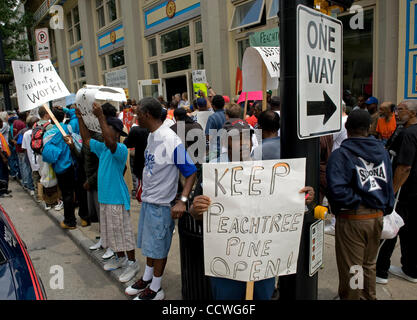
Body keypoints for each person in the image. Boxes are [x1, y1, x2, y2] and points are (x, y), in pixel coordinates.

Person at [189, 119, 315, 300]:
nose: (242, 143)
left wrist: (304, 197)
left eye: (246, 137)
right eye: (235, 138)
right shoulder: (212, 172)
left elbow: (288, 205)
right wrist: (196, 208)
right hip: (226, 261)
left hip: (262, 260)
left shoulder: (268, 169)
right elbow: (196, 213)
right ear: (225, 142)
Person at [125, 97, 197, 300]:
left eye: (138, 112)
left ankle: (156, 287)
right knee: (150, 244)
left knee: (159, 246)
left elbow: (191, 172)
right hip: (149, 201)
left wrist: (182, 201)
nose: (135, 115)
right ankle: (147, 278)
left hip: (162, 204)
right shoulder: (152, 135)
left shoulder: (169, 138)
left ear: (146, 114)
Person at [326, 110, 394, 300]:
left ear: (346, 129)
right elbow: (388, 186)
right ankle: (367, 296)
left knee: (354, 268)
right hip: (377, 216)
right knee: (368, 265)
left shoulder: (341, 154)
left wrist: (358, 202)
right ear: (369, 128)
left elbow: (337, 190)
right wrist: (383, 206)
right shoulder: (382, 151)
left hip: (354, 218)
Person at [76, 103, 138, 283]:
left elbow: (110, 141)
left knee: (123, 234)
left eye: (107, 129)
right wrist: (80, 117)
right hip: (106, 198)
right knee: (112, 234)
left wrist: (100, 117)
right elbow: (86, 139)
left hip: (116, 199)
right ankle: (120, 258)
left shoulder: (119, 148)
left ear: (116, 133)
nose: (103, 132)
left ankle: (132, 263)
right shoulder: (102, 147)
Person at [376, 100, 417, 284]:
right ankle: (411, 269)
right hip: (413, 191)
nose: (396, 113)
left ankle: (380, 271)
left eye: (400, 110)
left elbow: (404, 167)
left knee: (391, 228)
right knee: (410, 232)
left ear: (413, 113)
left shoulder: (408, 134)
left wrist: (392, 192)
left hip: (405, 192)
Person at [42, 108, 85, 229]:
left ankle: (70, 221)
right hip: (72, 165)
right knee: (75, 192)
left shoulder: (48, 133)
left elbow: (45, 151)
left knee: (66, 194)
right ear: (64, 117)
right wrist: (65, 109)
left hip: (60, 167)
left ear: (51, 119)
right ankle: (81, 217)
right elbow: (74, 115)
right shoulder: (69, 128)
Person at [21, 117, 41, 201]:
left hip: (33, 162)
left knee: (36, 181)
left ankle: (38, 197)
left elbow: (24, 148)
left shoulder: (26, 134)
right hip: (40, 160)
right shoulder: (39, 132)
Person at [205, 95, 226, 161]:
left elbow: (209, 137)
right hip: (228, 150)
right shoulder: (229, 115)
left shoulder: (212, 118)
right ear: (224, 104)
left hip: (216, 151)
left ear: (213, 106)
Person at [0, 118, 11, 198]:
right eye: (1, 122)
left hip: (3, 154)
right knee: (2, 174)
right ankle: (2, 191)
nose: (2, 124)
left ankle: (5, 189)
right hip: (1, 156)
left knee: (5, 172)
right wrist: (3, 157)